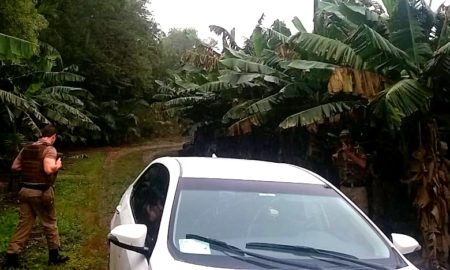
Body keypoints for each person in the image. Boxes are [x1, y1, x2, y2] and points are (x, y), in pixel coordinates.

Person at [3, 124, 69, 269]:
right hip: (41, 192)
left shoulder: (27, 148)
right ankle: (54, 255)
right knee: (49, 223)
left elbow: (15, 167)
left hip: (25, 191)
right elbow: (48, 169)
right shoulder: (49, 149)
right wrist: (57, 164)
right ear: (53, 137)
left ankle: (11, 258)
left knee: (24, 224)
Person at [332, 129, 369, 214]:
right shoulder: (340, 151)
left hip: (358, 188)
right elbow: (337, 165)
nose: (344, 140)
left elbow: (363, 164)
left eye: (346, 137)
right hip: (345, 187)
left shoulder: (358, 149)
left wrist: (349, 154)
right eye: (342, 138)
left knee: (362, 214)